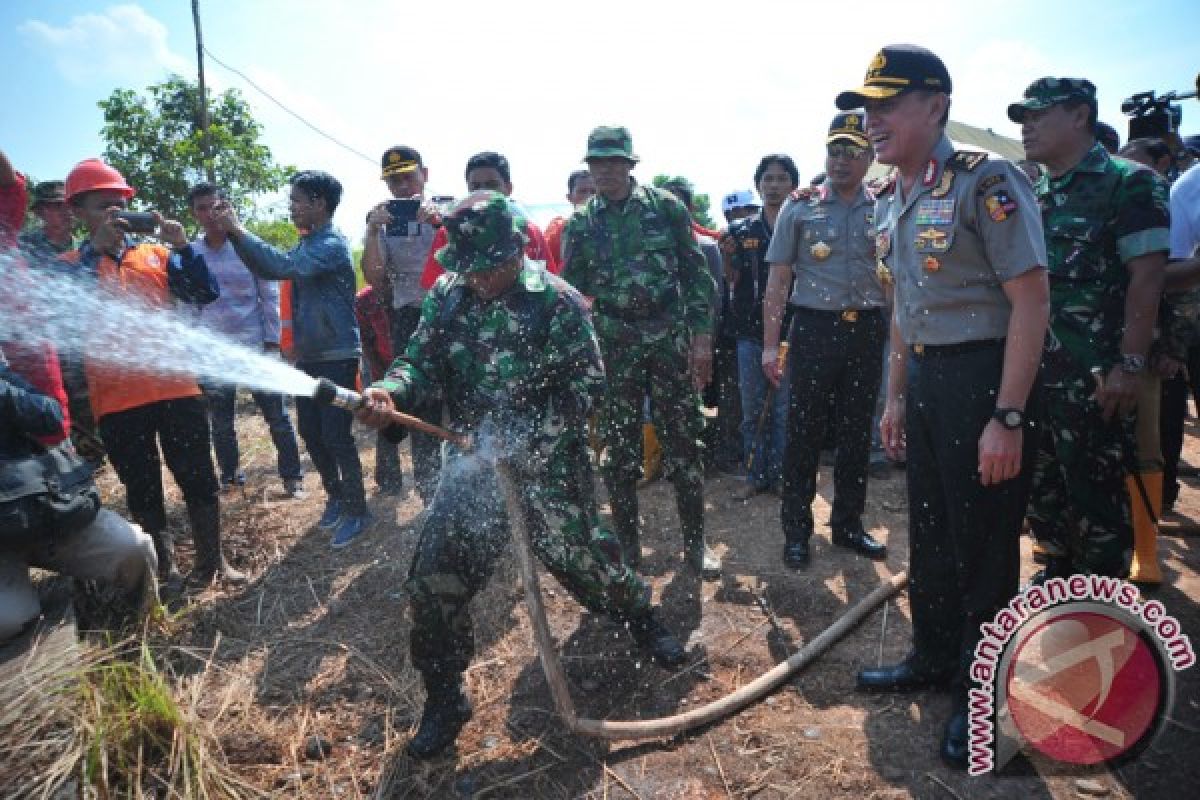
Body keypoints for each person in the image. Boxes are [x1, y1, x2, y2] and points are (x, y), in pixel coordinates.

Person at [356, 191, 686, 758]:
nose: (478, 279)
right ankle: (445, 698)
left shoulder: (558, 303)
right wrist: (392, 390)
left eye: (489, 266)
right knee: (432, 581)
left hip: (549, 468)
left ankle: (640, 614)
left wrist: (525, 437)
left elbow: (587, 389)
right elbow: (419, 359)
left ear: (517, 251)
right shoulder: (447, 295)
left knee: (591, 568)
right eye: (468, 267)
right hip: (473, 467)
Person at [837, 45, 1049, 767]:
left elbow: (1031, 301)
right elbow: (905, 303)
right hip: (927, 381)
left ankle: (982, 694)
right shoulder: (893, 193)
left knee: (984, 547)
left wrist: (1008, 415)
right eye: (866, 107)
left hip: (983, 382)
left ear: (936, 105)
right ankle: (931, 657)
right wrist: (896, 395)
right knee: (928, 531)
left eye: (887, 104)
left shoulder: (985, 181)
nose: (872, 120)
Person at [60, 158, 244, 591]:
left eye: (120, 204)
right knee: (144, 493)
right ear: (78, 213)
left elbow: (205, 293)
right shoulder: (70, 266)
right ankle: (165, 574)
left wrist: (182, 248)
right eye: (103, 206)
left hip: (177, 390)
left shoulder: (157, 254)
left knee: (199, 478)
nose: (114, 213)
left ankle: (212, 566)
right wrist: (97, 253)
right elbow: (69, 318)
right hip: (118, 403)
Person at [1012, 78, 1169, 581]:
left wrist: (1129, 366)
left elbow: (1147, 279)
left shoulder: (1130, 181)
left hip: (1095, 375)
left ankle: (1101, 601)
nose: (1026, 126)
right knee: (1042, 483)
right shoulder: (1034, 188)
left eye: (1037, 114)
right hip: (1035, 370)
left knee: (1097, 493)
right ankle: (1055, 571)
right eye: (1022, 117)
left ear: (1080, 116)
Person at [562, 126, 720, 577]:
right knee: (618, 451)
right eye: (598, 163)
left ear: (631, 165)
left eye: (615, 162)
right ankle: (629, 550)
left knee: (684, 443)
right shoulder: (581, 223)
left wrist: (702, 339)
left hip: (670, 339)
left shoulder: (666, 208)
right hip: (614, 347)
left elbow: (696, 276)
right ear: (589, 167)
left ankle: (696, 545)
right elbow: (573, 294)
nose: (606, 171)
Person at [214, 170, 371, 549]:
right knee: (311, 433)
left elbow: (281, 268)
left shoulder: (331, 244)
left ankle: (357, 510)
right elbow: (273, 268)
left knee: (335, 435)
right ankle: (335, 497)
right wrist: (236, 236)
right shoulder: (306, 244)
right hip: (312, 357)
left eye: (297, 200)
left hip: (337, 354)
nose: (291, 207)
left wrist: (238, 231)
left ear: (319, 203)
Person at [761, 114, 890, 569]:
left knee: (857, 433)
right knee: (804, 434)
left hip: (867, 331)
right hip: (814, 331)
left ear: (870, 158)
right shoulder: (800, 207)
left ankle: (848, 526)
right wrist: (769, 346)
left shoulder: (887, 206)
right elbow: (777, 282)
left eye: (852, 152)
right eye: (834, 150)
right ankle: (796, 532)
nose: (841, 160)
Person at [0, 351, 158, 641]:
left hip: (43, 508)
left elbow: (51, 418)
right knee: (8, 621)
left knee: (135, 550)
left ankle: (137, 629)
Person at [188, 182, 305, 497]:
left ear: (225, 207)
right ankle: (230, 479)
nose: (210, 214)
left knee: (278, 418)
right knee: (222, 425)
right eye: (202, 208)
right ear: (194, 213)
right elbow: (189, 307)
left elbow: (269, 296)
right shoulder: (190, 253)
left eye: (215, 206)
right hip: (214, 355)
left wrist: (272, 340)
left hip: (256, 346)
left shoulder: (246, 245)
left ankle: (293, 479)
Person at [361, 145, 443, 504]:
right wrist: (372, 232)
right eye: (394, 180)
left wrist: (441, 223)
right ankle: (430, 494)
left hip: (450, 314)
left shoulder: (450, 210)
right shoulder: (382, 221)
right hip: (407, 319)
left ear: (425, 175)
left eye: (409, 177)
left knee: (459, 400)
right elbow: (376, 278)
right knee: (417, 402)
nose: (402, 187)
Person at [723, 155, 798, 500]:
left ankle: (781, 475)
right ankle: (755, 473)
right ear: (758, 185)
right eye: (767, 179)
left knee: (783, 409)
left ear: (793, 184)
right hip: (750, 333)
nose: (774, 185)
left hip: (792, 332)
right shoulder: (740, 232)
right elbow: (732, 280)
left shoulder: (803, 225)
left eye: (782, 178)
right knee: (752, 408)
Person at [419, 151, 554, 288]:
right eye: (476, 187)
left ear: (508, 188)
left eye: (492, 185)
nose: (483, 192)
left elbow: (541, 286)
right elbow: (433, 285)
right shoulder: (449, 233)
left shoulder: (528, 231)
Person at [354, 279, 403, 493]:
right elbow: (365, 341)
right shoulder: (364, 300)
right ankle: (389, 480)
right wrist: (382, 372)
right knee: (383, 419)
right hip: (382, 369)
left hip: (413, 368)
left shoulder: (414, 293)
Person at [543, 169, 597, 269]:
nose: (589, 196)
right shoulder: (557, 230)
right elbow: (546, 268)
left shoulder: (612, 226)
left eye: (594, 192)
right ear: (569, 197)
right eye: (582, 191)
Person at [19, 180, 75, 259]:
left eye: (70, 204)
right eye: (58, 205)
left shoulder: (84, 250)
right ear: (39, 212)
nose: (68, 211)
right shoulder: (24, 246)